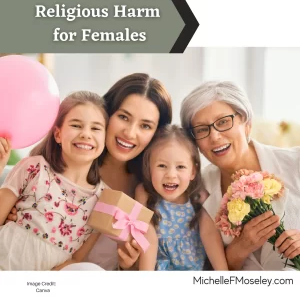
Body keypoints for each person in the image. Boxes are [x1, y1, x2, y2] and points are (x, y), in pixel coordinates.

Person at [6, 73, 172, 270]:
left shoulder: (146, 190)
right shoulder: (52, 165)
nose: (130, 132)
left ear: (156, 134)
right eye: (123, 117)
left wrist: (127, 265)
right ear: (105, 115)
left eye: (145, 126)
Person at [180, 80, 300, 270]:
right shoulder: (193, 192)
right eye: (202, 129)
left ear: (246, 123)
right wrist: (240, 248)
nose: (215, 136)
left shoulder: (296, 163)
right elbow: (202, 272)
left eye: (223, 122)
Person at [0, 91, 108, 270]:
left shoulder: (103, 199)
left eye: (95, 128)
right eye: (76, 125)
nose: (86, 134)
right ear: (58, 134)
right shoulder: (33, 167)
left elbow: (75, 261)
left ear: (104, 138)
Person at [136, 124, 228, 270]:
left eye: (180, 167)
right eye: (161, 166)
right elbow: (149, 238)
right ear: (149, 167)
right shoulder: (144, 193)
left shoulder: (198, 195)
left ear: (193, 171)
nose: (171, 175)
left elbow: (209, 234)